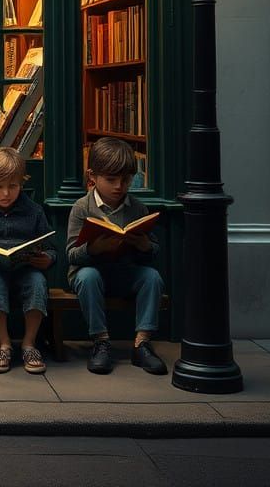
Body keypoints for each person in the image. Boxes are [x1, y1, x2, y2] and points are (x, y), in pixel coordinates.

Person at [66, 136, 167, 375]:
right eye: (111, 180)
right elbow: (71, 254)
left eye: (126, 180)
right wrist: (94, 249)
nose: (119, 186)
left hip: (124, 272)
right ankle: (101, 342)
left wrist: (144, 246)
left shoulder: (137, 208)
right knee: (88, 277)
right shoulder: (82, 207)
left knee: (152, 277)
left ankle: (141, 343)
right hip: (92, 273)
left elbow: (152, 252)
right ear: (92, 176)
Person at [0, 147, 55, 375]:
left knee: (37, 283)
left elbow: (51, 249)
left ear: (21, 183)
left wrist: (47, 259)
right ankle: (4, 344)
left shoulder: (33, 211)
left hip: (27, 269)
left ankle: (29, 343)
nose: (6, 193)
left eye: (13, 186)